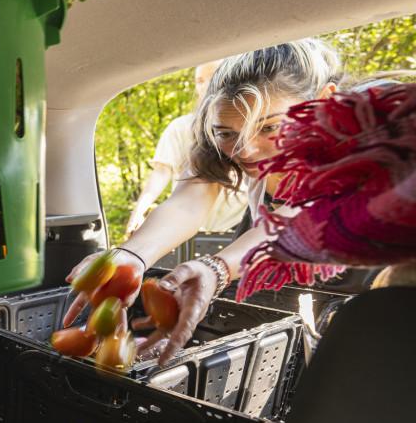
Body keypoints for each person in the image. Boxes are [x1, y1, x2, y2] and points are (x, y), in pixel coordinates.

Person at [63, 38, 410, 365]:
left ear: (324, 100)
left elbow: (315, 209)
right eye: (227, 134)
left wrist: (219, 266)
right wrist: (132, 256)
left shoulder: (371, 124)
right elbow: (188, 200)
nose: (245, 151)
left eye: (269, 128)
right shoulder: (214, 128)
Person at [124, 60, 247, 237]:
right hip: (190, 228)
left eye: (211, 77)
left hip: (237, 227)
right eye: (199, 80)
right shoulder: (180, 127)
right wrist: (139, 211)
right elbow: (161, 172)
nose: (205, 86)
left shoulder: (248, 125)